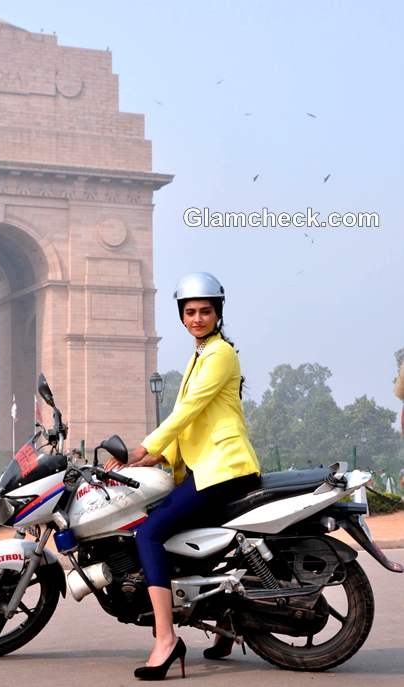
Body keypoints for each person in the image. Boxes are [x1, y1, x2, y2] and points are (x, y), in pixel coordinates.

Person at [105, 272, 261, 680]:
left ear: (218, 313)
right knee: (191, 543)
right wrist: (152, 459)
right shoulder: (200, 354)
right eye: (190, 312)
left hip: (223, 469)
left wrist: (144, 447)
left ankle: (165, 639)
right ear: (181, 316)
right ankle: (226, 622)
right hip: (207, 468)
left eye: (205, 311)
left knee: (149, 533)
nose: (197, 318)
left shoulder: (220, 354)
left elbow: (187, 411)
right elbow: (192, 423)